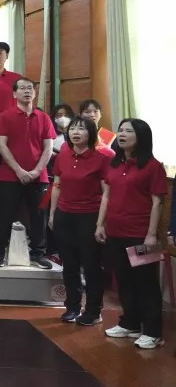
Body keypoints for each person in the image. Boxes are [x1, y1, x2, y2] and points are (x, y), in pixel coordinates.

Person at [97, 118, 167, 349]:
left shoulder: (153, 166)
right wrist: (100, 224)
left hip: (141, 234)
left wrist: (151, 235)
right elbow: (106, 196)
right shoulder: (115, 164)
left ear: (142, 137)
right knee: (124, 281)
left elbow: (157, 203)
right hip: (116, 232)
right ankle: (130, 323)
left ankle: (153, 332)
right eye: (121, 130)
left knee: (146, 283)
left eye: (129, 131)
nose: (122, 134)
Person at [49, 117, 112, 326]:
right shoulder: (63, 155)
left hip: (90, 215)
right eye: (73, 128)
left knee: (91, 265)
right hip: (64, 215)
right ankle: (72, 307)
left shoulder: (101, 158)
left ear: (91, 133)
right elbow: (57, 185)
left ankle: (93, 310)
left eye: (82, 129)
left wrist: (101, 223)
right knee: (69, 264)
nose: (76, 132)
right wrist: (53, 214)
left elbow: (107, 193)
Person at [0, 78, 55, 269]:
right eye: (22, 88)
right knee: (4, 215)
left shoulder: (43, 118)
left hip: (39, 178)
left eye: (30, 88)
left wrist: (36, 171)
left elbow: (48, 148)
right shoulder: (5, 116)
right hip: (10, 176)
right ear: (14, 93)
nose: (27, 91)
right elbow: (1, 145)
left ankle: (38, 253)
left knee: (39, 216)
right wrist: (19, 170)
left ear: (34, 93)